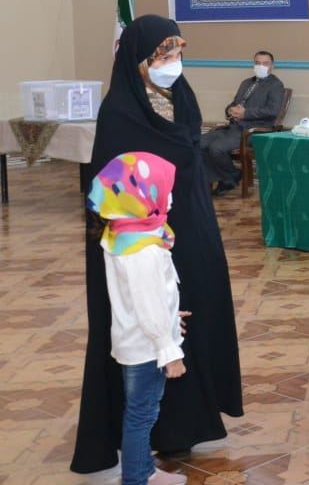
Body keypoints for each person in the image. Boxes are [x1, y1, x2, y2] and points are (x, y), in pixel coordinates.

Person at [73, 15, 243, 474]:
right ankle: (150, 434)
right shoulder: (120, 111)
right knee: (153, 327)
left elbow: (188, 151)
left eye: (178, 53)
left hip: (190, 225)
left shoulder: (180, 96)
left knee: (194, 314)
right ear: (139, 61)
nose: (174, 63)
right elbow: (112, 187)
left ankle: (189, 424)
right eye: (163, 56)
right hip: (143, 240)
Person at [89, 152, 188, 485]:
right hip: (148, 346)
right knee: (142, 415)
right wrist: (169, 347)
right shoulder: (143, 249)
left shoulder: (121, 234)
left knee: (140, 412)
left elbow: (145, 297)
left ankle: (142, 470)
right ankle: (136, 477)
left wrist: (171, 317)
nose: (170, 196)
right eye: (164, 189)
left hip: (135, 337)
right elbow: (148, 303)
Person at [199, 51, 285, 195]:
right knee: (199, 143)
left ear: (272, 66)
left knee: (216, 148)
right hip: (233, 127)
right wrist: (230, 111)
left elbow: (272, 111)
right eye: (257, 63)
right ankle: (230, 175)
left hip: (253, 130)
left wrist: (246, 113)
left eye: (265, 63)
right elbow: (234, 103)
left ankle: (228, 178)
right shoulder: (246, 83)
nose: (261, 66)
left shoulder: (275, 85)